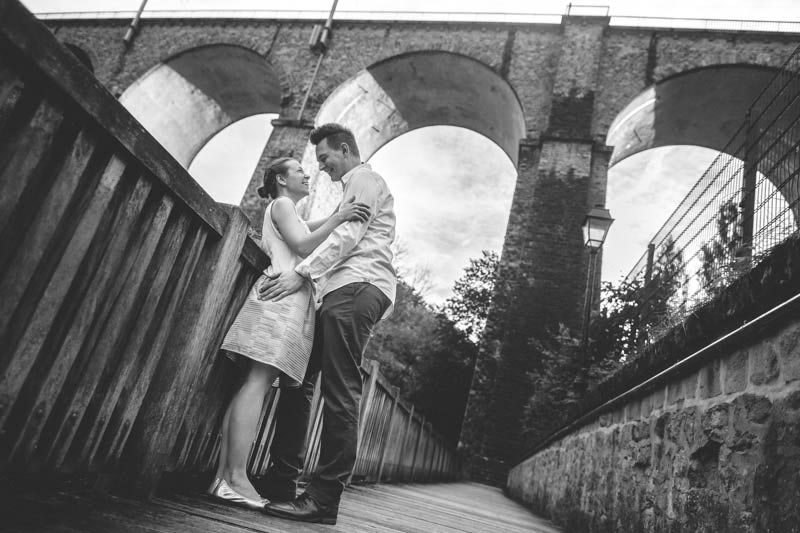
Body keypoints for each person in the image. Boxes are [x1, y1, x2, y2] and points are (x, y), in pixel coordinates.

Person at [208, 157, 371, 511]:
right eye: (299, 171)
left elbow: (309, 229)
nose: (308, 173)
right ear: (282, 179)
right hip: (280, 303)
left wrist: (336, 216)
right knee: (257, 384)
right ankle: (235, 477)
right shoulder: (282, 204)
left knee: (253, 383)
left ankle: (224, 476)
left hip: (283, 302)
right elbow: (304, 245)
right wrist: (342, 218)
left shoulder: (288, 211)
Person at [258, 123, 397, 525]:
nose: (321, 168)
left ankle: (323, 499)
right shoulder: (351, 189)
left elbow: (347, 238)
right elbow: (328, 230)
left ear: (344, 149)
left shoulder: (365, 179)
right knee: (298, 379)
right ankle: (282, 478)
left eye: (324, 158)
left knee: (340, 392)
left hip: (357, 288)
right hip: (341, 291)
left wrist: (300, 273)